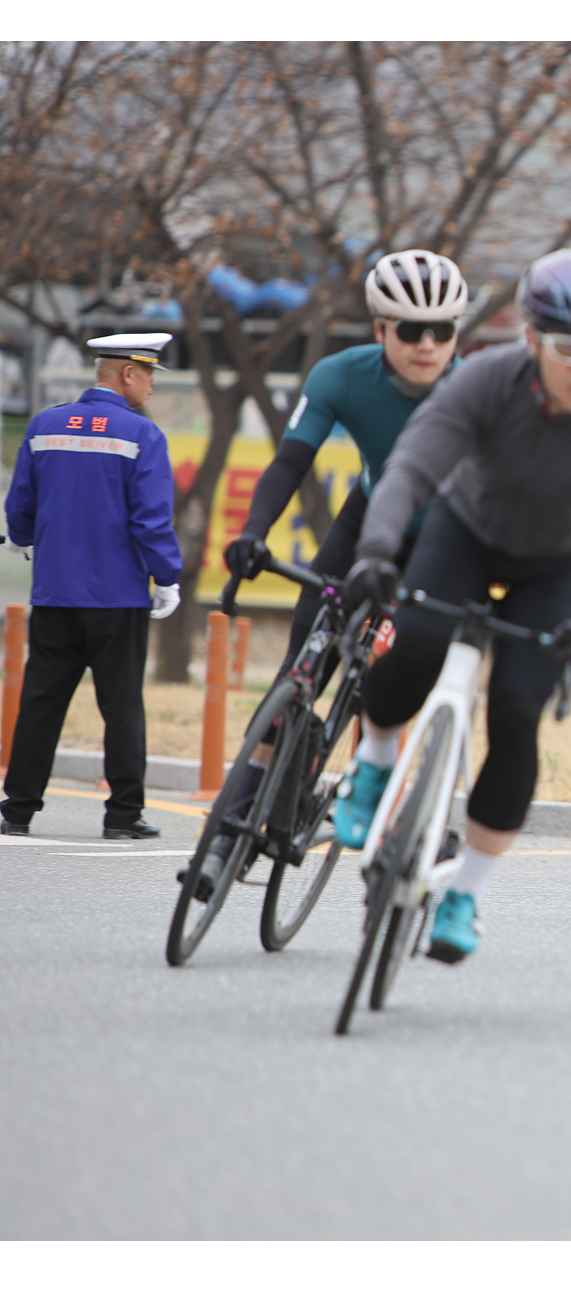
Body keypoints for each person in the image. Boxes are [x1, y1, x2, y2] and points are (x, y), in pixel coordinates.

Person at [336, 248, 571, 962]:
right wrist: (375, 550)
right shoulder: (486, 381)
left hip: (557, 568)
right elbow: (410, 470)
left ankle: (465, 894)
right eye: (569, 348)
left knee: (517, 712)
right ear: (531, 340)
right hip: (466, 535)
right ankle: (376, 760)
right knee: (417, 644)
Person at [189, 250, 467, 896]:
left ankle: (411, 822)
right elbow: (291, 461)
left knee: (408, 681)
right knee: (300, 670)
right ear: (380, 329)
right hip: (367, 525)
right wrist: (253, 532)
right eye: (411, 331)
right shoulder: (340, 375)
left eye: (442, 331)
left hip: (444, 541)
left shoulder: (474, 390)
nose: (428, 346)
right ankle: (231, 832)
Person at [1, 334, 183, 839]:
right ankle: (123, 816)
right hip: (116, 596)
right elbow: (151, 519)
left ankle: (17, 810)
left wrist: (20, 536)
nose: (151, 385)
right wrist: (167, 577)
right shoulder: (141, 434)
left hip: (54, 592)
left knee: (40, 702)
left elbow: (21, 502)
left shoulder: (45, 425)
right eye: (149, 374)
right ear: (128, 373)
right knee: (121, 707)